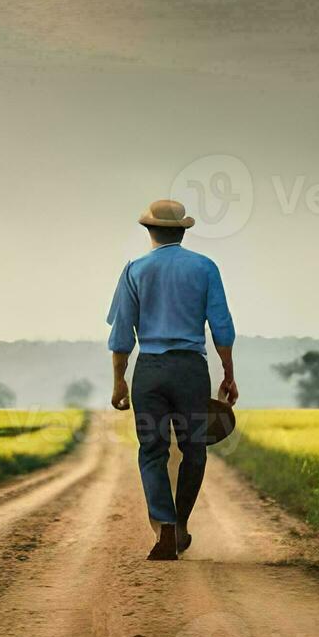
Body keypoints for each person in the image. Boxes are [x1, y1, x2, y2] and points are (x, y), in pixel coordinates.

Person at [107, 198, 238, 561]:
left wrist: (120, 381)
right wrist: (228, 374)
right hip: (191, 371)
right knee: (194, 449)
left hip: (149, 371)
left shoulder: (134, 270)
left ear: (149, 230)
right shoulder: (205, 267)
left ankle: (164, 527)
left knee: (152, 450)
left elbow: (121, 335)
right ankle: (179, 525)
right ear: (183, 230)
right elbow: (222, 327)